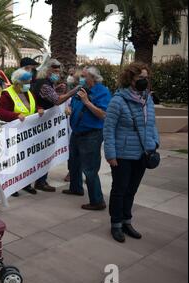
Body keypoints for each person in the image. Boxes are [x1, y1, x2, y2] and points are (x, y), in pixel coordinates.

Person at [103, 62, 159, 243]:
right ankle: (116, 224)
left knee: (132, 190)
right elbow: (108, 129)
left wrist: (155, 142)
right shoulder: (117, 100)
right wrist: (110, 154)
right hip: (123, 154)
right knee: (120, 190)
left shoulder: (148, 99)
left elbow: (152, 124)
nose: (144, 81)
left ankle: (127, 221)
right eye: (140, 78)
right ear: (130, 79)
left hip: (143, 153)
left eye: (146, 78)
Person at [62, 66, 111, 211]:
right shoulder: (80, 89)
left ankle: (97, 201)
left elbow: (103, 114)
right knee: (73, 163)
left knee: (89, 168)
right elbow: (73, 104)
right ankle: (76, 188)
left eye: (83, 76)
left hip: (91, 134)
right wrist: (69, 109)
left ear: (93, 78)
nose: (80, 78)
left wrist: (87, 102)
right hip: (77, 132)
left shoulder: (103, 92)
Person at [31, 58, 82, 192]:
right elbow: (57, 100)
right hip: (43, 125)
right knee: (44, 154)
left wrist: (58, 89)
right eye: (54, 71)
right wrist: (73, 91)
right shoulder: (44, 84)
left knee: (44, 153)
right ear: (46, 70)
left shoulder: (46, 83)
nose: (57, 73)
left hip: (45, 124)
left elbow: (51, 96)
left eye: (58, 71)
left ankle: (41, 180)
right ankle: (40, 181)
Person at [0, 68, 44, 197]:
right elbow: (0, 112)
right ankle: (12, 186)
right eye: (26, 83)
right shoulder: (7, 94)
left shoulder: (29, 92)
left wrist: (39, 109)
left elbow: (34, 106)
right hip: (13, 132)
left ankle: (26, 183)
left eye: (29, 82)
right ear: (17, 83)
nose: (29, 85)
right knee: (13, 160)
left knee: (26, 159)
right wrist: (15, 115)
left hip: (27, 133)